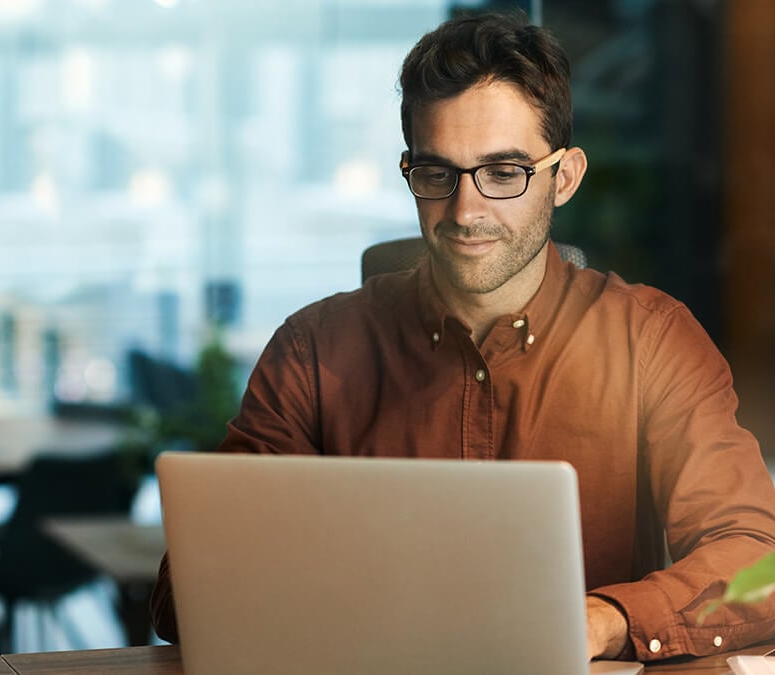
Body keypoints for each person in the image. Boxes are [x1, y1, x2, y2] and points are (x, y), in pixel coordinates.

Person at [150, 12, 775, 663]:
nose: (466, 211)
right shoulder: (314, 351)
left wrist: (602, 619)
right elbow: (190, 589)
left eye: (504, 172)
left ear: (564, 177)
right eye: (435, 173)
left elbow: (759, 561)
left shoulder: (651, 342)